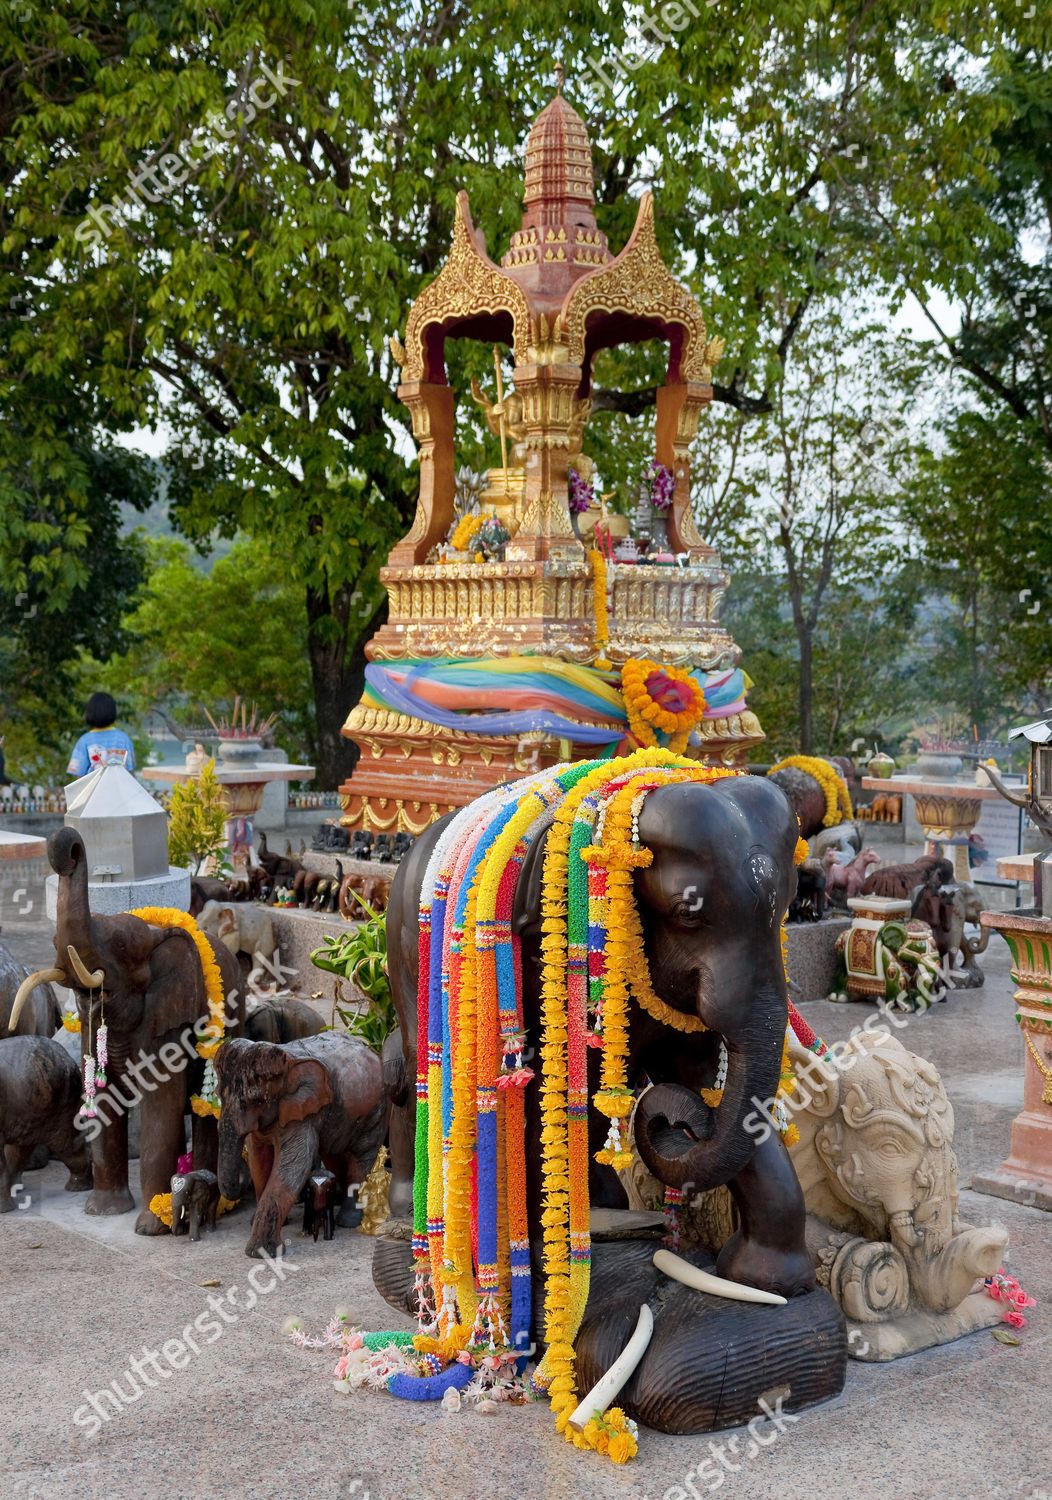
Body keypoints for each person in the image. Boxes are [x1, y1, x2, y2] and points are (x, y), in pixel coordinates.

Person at [67, 693, 136, 777]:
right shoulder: (123, 739)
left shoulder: (84, 741)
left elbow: (79, 774)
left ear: (90, 712)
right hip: (119, 789)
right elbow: (130, 771)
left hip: (94, 790)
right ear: (113, 712)